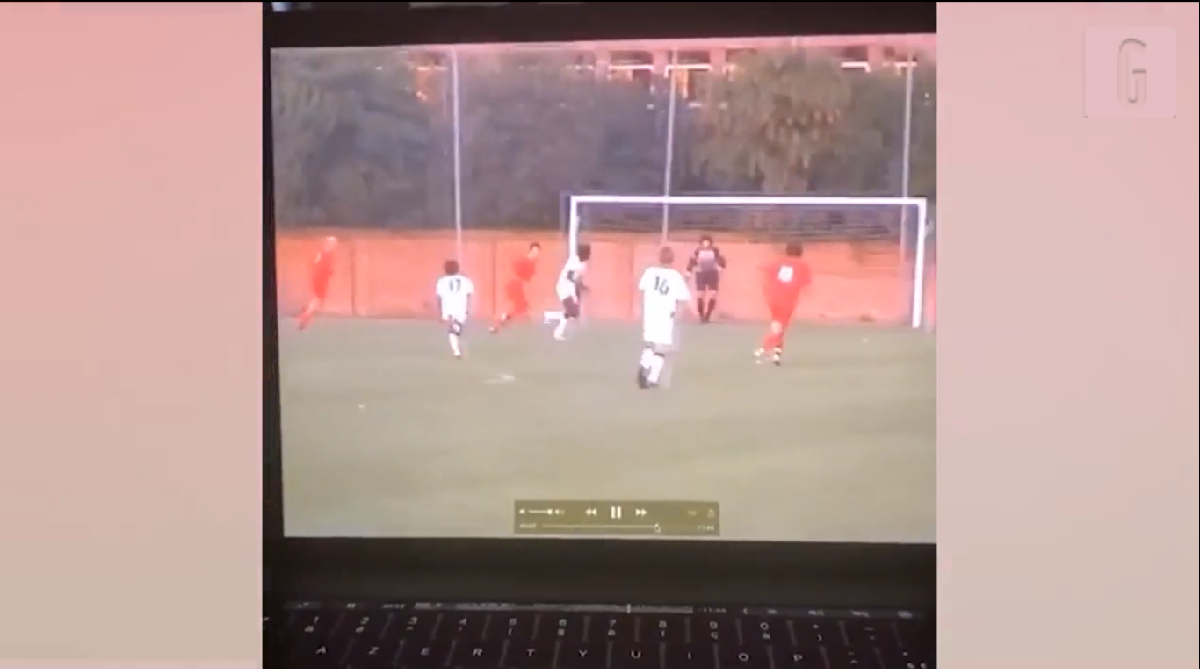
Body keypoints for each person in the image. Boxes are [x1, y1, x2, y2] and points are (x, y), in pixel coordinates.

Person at [636, 247, 691, 389]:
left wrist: (642, 308)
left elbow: (642, 289)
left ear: (659, 258)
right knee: (661, 348)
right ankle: (652, 378)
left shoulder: (650, 272)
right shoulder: (675, 276)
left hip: (650, 312)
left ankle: (644, 365)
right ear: (672, 259)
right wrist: (679, 312)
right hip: (666, 314)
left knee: (650, 343)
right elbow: (683, 297)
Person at [756, 242, 812, 366]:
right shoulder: (802, 265)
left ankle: (776, 355)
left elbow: (765, 270)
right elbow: (806, 282)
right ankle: (763, 349)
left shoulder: (778, 262)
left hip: (773, 298)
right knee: (781, 328)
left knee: (777, 325)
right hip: (788, 300)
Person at [490, 242, 541, 333]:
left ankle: (501, 322)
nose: (537, 254)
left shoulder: (532, 266)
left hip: (518, 286)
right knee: (519, 307)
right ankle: (499, 322)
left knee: (519, 308)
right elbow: (516, 273)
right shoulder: (523, 260)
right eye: (535, 251)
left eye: (538, 252)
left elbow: (526, 280)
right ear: (531, 251)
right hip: (515, 285)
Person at [546, 243, 591, 341]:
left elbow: (577, 279)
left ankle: (556, 328)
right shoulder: (575, 263)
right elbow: (570, 277)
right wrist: (574, 293)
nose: (589, 255)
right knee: (572, 312)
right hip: (564, 288)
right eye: (588, 253)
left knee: (573, 313)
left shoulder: (582, 265)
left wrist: (582, 287)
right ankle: (551, 321)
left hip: (570, 288)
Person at [434, 259, 475, 359]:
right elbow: (469, 295)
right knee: (454, 330)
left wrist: (439, 312)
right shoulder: (466, 280)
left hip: (447, 308)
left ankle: (456, 350)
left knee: (453, 330)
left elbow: (439, 298)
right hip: (461, 308)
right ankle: (456, 352)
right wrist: (468, 308)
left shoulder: (441, 281)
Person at [297, 235, 337, 331]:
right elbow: (327, 268)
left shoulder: (321, 252)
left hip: (317, 277)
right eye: (334, 243)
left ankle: (306, 311)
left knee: (319, 298)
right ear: (330, 243)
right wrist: (330, 272)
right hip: (321, 278)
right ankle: (305, 314)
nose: (335, 245)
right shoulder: (328, 254)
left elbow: (315, 262)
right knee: (317, 298)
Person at [685, 234, 727, 323]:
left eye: (707, 242)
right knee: (700, 294)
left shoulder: (714, 250)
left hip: (712, 274)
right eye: (704, 242)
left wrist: (721, 267)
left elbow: (721, 259)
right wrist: (688, 271)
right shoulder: (698, 251)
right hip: (701, 274)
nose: (706, 243)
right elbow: (692, 261)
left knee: (713, 294)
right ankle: (701, 315)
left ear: (711, 243)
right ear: (701, 243)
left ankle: (708, 315)